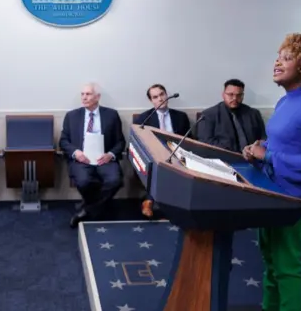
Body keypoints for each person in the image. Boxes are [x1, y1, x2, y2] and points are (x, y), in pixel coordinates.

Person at [243, 32, 301, 311]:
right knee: (270, 265)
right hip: (271, 194)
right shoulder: (285, 101)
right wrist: (258, 151)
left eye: (287, 58)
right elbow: (282, 144)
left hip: (295, 200)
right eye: (278, 57)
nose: (277, 62)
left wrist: (269, 154)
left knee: (287, 269)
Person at [59, 83, 126, 228]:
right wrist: (76, 153)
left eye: (88, 94)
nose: (84, 97)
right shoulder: (72, 116)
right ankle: (98, 208)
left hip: (104, 159)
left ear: (98, 97)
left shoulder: (111, 115)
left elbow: (120, 142)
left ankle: (87, 210)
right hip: (81, 160)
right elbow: (63, 141)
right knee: (83, 181)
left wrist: (110, 154)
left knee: (115, 180)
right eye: (82, 94)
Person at [132, 84, 191, 217]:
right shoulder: (143, 118)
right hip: (154, 156)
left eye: (162, 94)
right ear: (151, 100)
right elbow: (138, 143)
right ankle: (150, 201)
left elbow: (189, 140)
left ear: (166, 95)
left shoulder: (181, 117)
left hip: (177, 155)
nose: (160, 99)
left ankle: (151, 201)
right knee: (156, 167)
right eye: (155, 97)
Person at [197, 79, 266, 153]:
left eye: (239, 95)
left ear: (243, 95)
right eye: (230, 94)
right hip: (223, 158)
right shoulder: (208, 115)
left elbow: (263, 138)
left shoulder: (254, 114)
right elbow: (205, 142)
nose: (235, 98)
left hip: (253, 158)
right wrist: (232, 152)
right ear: (223, 95)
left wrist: (255, 148)